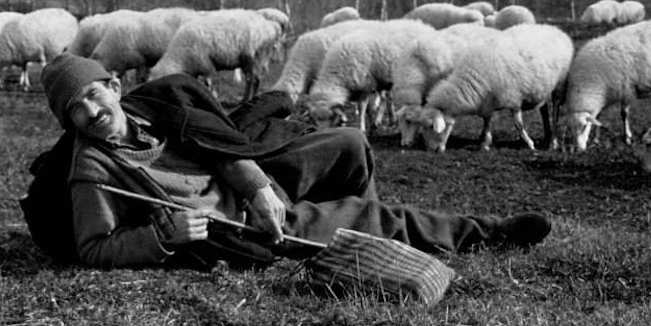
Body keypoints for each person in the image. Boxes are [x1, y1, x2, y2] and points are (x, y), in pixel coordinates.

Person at [35, 53, 551, 270]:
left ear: (114, 87)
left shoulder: (153, 113)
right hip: (225, 224)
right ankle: (482, 233)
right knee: (369, 215)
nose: (90, 112)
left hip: (249, 192)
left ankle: (352, 253)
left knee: (348, 142)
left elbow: (220, 151)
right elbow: (92, 248)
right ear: (69, 122)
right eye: (74, 110)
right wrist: (161, 237)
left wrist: (259, 187)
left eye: (92, 95)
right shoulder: (94, 168)